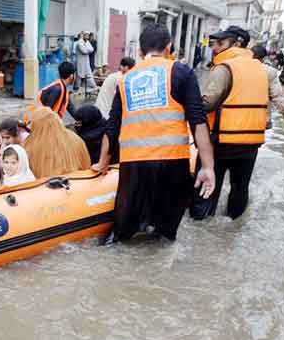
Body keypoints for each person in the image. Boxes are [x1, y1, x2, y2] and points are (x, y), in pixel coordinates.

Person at [94, 24, 216, 242]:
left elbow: (112, 127)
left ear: (140, 53)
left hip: (133, 165)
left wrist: (102, 163)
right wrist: (207, 167)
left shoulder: (125, 79)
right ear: (169, 47)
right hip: (172, 163)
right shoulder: (181, 72)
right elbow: (198, 122)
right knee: (165, 236)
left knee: (123, 234)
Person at [190, 26, 265, 221]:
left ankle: (200, 224)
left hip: (222, 141)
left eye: (221, 43)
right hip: (251, 142)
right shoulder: (260, 68)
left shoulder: (225, 68)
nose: (215, 48)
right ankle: (234, 225)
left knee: (206, 188)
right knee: (240, 188)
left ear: (237, 44)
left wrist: (189, 101)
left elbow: (207, 103)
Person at [24, 107, 91, 178]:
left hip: (45, 186)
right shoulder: (75, 138)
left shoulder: (30, 144)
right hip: (75, 183)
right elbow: (85, 165)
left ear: (36, 124)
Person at [251, 45, 284, 132]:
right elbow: (278, 97)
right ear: (264, 58)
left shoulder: (234, 68)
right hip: (259, 118)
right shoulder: (269, 72)